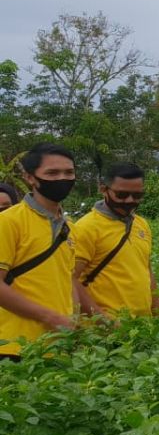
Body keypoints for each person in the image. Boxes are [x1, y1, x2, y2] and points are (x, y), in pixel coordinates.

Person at [0, 143, 77, 359]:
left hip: (58, 347)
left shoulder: (69, 226)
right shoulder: (8, 222)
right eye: (52, 173)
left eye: (69, 172)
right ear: (30, 178)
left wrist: (76, 323)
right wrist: (50, 318)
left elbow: (67, 279)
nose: (62, 178)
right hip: (15, 347)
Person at [72, 162, 159, 318]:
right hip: (105, 332)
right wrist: (105, 321)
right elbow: (71, 280)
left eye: (137, 195)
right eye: (122, 195)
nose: (129, 201)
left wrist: (158, 313)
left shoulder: (141, 224)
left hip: (143, 328)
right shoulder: (86, 227)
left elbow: (147, 271)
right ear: (103, 190)